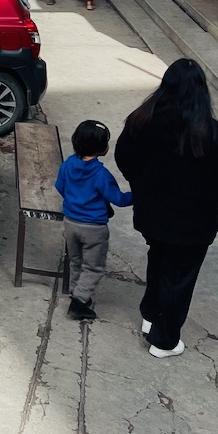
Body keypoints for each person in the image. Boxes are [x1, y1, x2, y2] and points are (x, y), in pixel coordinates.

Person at [115, 59, 218, 358]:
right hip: (192, 224)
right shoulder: (210, 132)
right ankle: (165, 340)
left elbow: (124, 157)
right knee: (179, 278)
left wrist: (142, 184)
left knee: (158, 259)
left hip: (152, 216)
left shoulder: (141, 120)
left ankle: (150, 314)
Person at [55, 119, 133, 320]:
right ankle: (79, 302)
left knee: (76, 261)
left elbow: (59, 186)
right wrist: (138, 194)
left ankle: (76, 292)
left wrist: (74, 202)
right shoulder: (101, 174)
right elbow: (119, 199)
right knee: (94, 267)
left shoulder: (68, 165)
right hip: (94, 228)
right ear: (102, 149)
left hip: (71, 222)